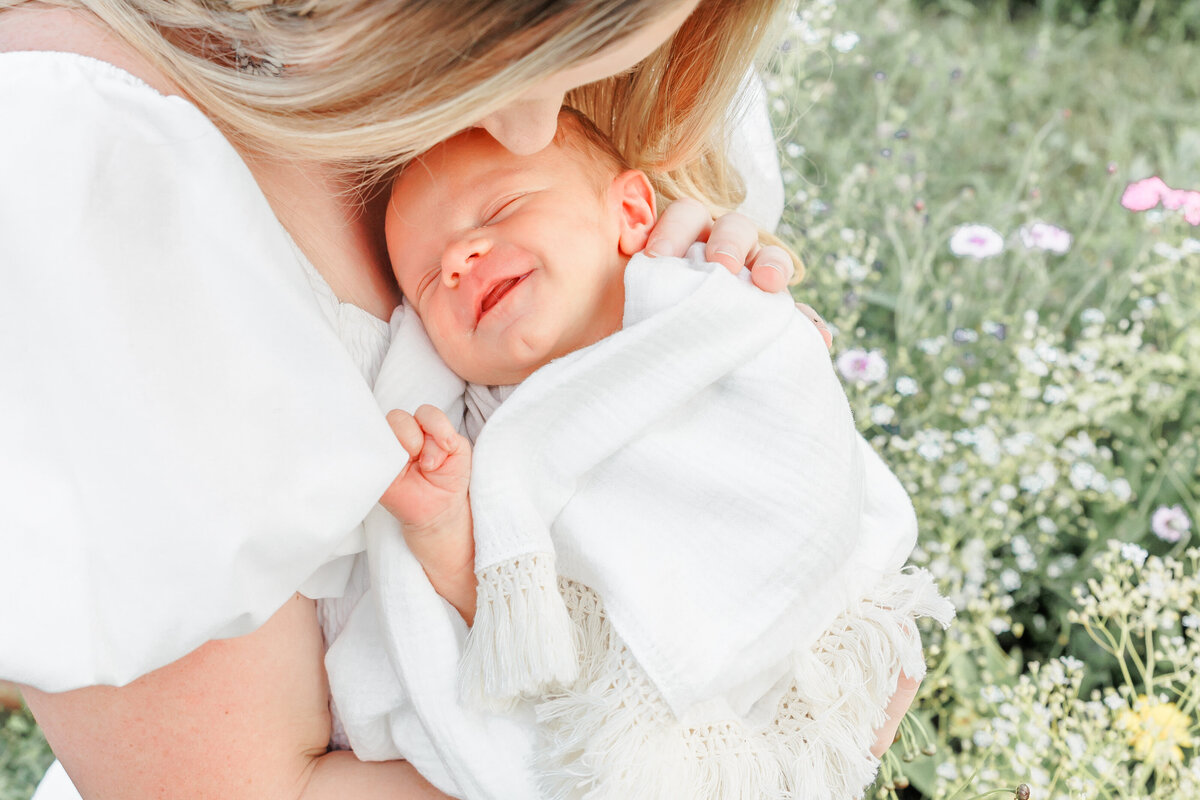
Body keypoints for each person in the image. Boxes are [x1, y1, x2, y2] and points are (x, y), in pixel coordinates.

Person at [1, 1, 915, 798]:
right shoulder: (79, 158)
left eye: (582, 58)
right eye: (519, 48)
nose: (534, 128)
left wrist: (702, 362)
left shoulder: (620, 67)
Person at [318, 111, 952, 799]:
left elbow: (796, 445)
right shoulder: (484, 440)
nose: (458, 260)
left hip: (787, 654)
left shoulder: (705, 309)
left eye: (499, 210)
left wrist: (758, 332)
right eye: (426, 282)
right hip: (618, 741)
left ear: (629, 211)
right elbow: (517, 632)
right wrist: (441, 526)